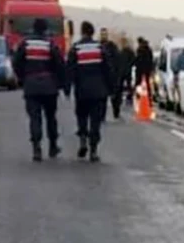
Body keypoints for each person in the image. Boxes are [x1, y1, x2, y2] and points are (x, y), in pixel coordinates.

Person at [11, 17, 67, 161]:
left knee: (34, 118)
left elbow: (16, 63)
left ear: (33, 29)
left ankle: (36, 148)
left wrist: (22, 78)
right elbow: (59, 64)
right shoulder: (50, 44)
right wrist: (60, 83)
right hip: (49, 86)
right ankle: (53, 146)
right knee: (50, 118)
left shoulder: (25, 44)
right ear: (45, 29)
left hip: (31, 86)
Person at [69, 22, 114, 161]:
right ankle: (93, 150)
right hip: (99, 91)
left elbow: (70, 68)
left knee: (82, 116)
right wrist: (111, 88)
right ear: (93, 32)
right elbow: (108, 69)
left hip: (82, 91)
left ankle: (83, 140)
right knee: (95, 121)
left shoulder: (76, 48)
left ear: (82, 32)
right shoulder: (100, 48)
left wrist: (67, 86)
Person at [100, 28, 124, 120]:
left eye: (105, 34)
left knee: (115, 95)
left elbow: (118, 60)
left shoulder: (111, 46)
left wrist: (117, 73)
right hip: (102, 75)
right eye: (102, 34)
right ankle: (102, 115)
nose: (103, 36)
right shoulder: (98, 46)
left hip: (112, 74)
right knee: (102, 97)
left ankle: (116, 112)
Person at [133, 37, 156, 102]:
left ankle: (139, 95)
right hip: (146, 69)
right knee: (146, 83)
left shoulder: (140, 50)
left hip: (141, 69)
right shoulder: (148, 49)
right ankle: (148, 96)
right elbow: (151, 60)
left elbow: (138, 60)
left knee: (139, 83)